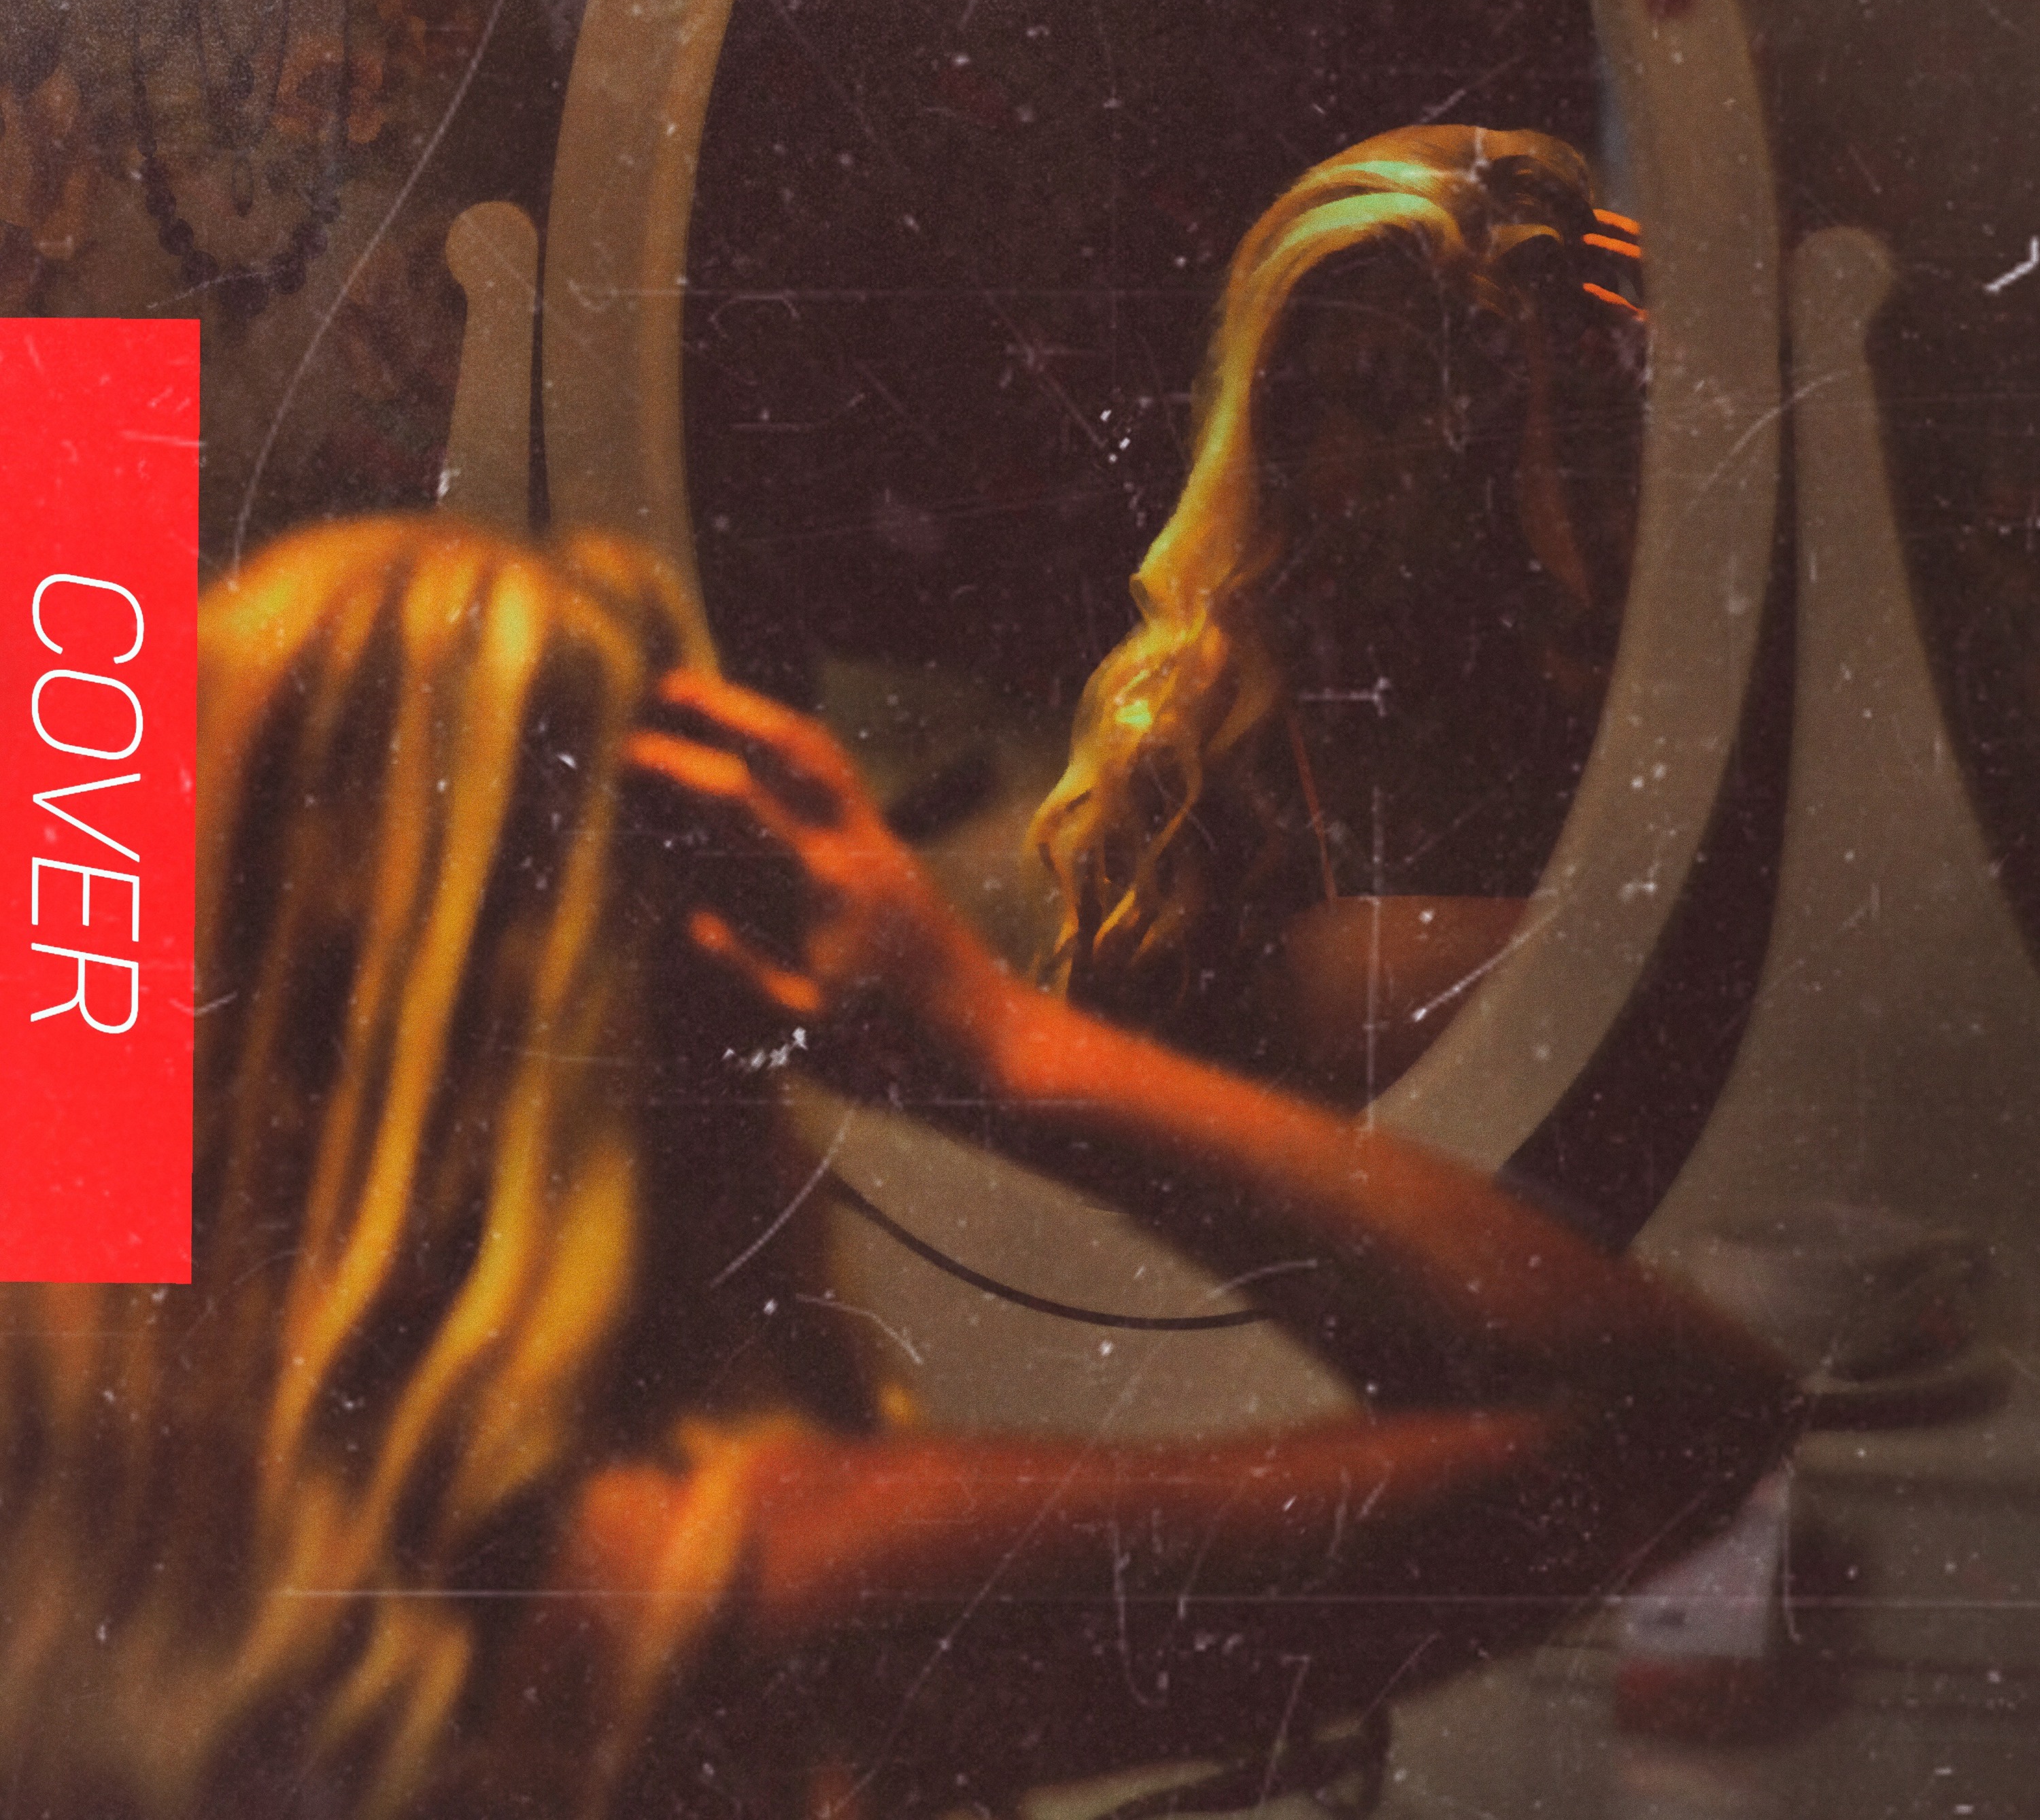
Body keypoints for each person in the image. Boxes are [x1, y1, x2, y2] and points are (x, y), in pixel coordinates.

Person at [0, 499, 1798, 1819]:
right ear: (654, 993)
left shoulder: (65, 1537)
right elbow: (1675, 1423)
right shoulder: (749, 1596)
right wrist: (996, 1037)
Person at [1030, 124, 1648, 1089]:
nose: (1415, 453)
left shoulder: (1641, 679)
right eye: (1345, 395)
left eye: (1473, 389)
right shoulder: (1200, 737)